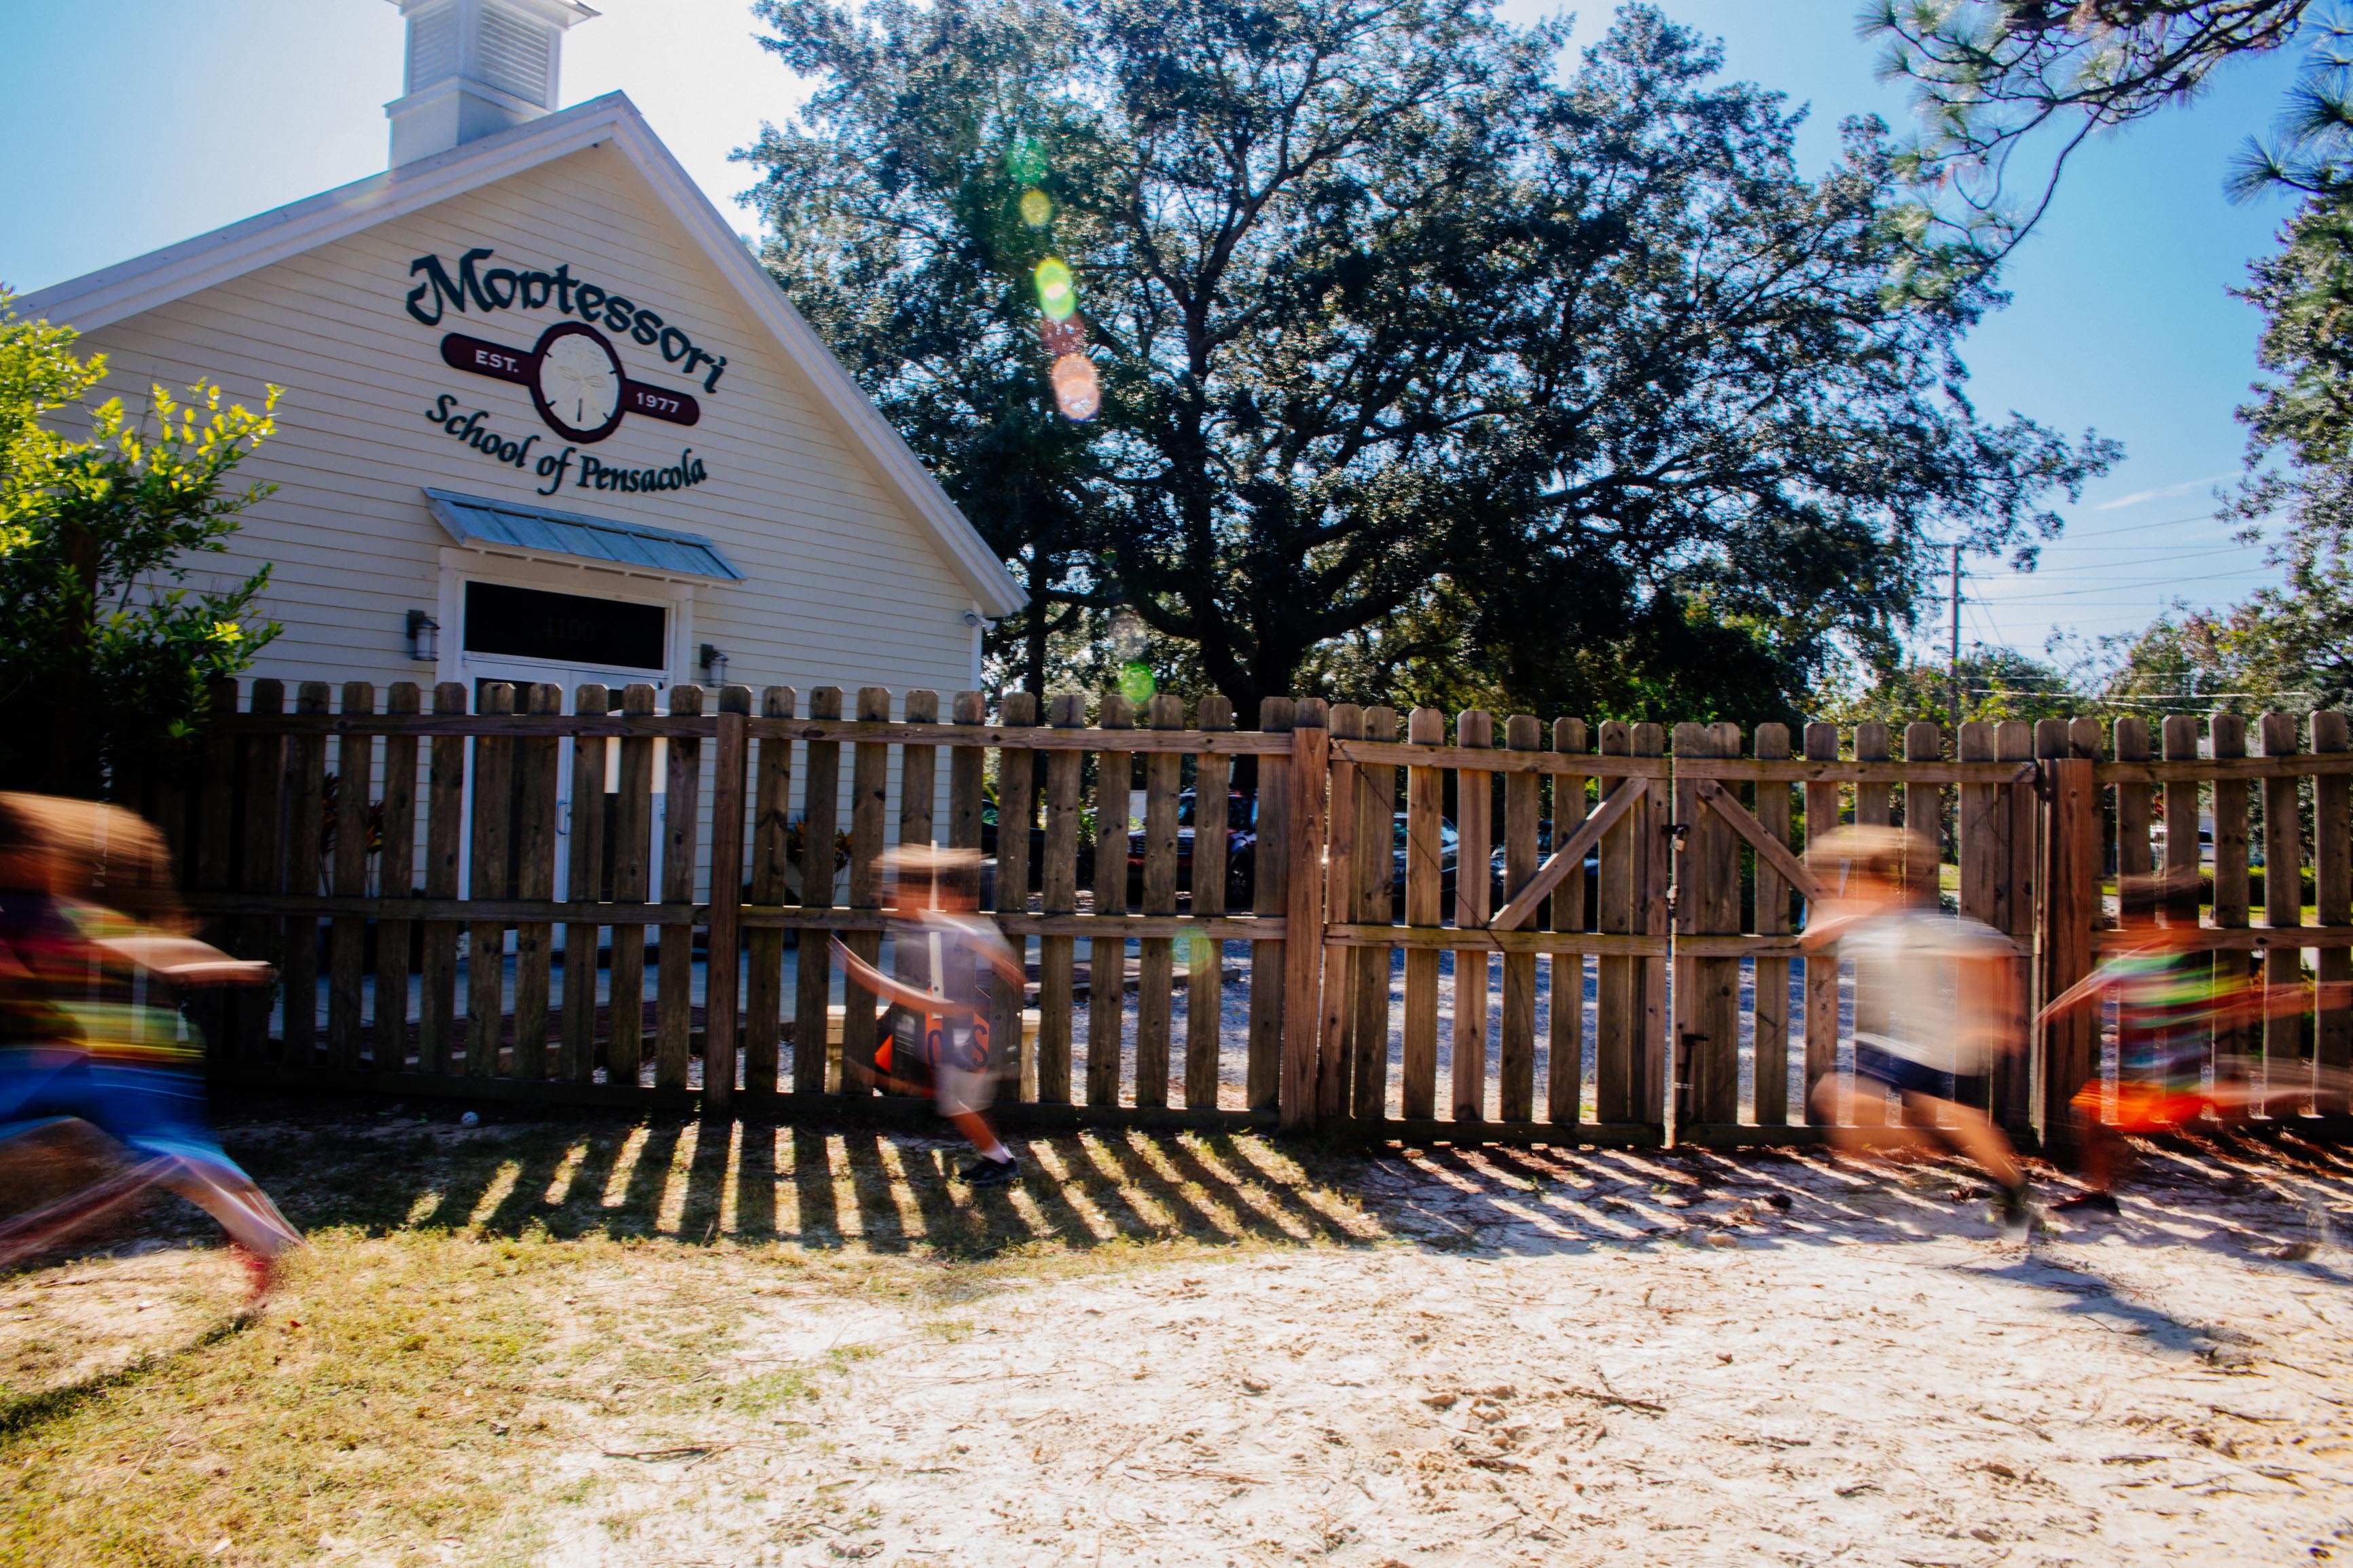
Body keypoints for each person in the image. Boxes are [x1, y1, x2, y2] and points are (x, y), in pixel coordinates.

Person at [0, 792, 302, 1292]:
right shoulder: (38, 909)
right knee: (182, 1155)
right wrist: (218, 964)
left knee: (173, 1157)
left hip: (125, 1053)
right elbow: (140, 944)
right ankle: (266, 1233)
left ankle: (264, 1236)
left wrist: (216, 964)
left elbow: (136, 945)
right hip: (100, 1052)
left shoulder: (36, 912)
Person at [2036, 868, 2353, 1216]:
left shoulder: (2166, 968)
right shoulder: (2130, 960)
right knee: (2092, 1118)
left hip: (2163, 1084)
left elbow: (2237, 1003)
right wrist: (2057, 1008)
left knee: (2103, 1119)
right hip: (2145, 1080)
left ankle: (2105, 1187)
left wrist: (2309, 996)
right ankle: (2104, 1189)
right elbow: (2096, 983)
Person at [1801, 824, 2033, 1230]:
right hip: (1894, 1042)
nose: (1843, 891)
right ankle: (1928, 1165)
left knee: (1953, 1118)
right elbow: (1813, 935)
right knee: (1840, 1099)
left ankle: (2001, 1182)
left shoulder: (1920, 927)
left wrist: (1998, 1017)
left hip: (1936, 1042)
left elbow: (1998, 951)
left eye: (1853, 882)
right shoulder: (1875, 923)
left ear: (1884, 886)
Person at [829, 845, 1026, 1186]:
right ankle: (998, 1158)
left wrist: (859, 970)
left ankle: (1002, 1161)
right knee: (957, 1102)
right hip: (949, 1033)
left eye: (897, 892)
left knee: (958, 1104)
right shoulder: (925, 928)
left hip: (968, 1036)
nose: (888, 898)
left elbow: (981, 952)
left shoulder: (953, 929)